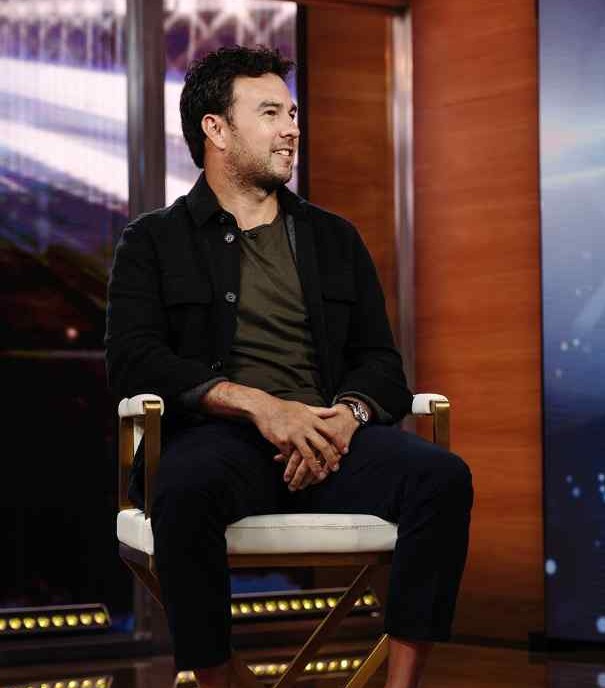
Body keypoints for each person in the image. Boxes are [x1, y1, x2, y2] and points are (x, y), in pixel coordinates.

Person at [105, 45, 472, 688]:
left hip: (330, 440)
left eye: (293, 113)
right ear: (216, 129)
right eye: (270, 113)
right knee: (182, 490)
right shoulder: (152, 241)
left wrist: (345, 418)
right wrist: (260, 407)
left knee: (443, 478)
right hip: (219, 442)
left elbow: (382, 365)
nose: (291, 129)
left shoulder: (335, 238)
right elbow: (135, 361)